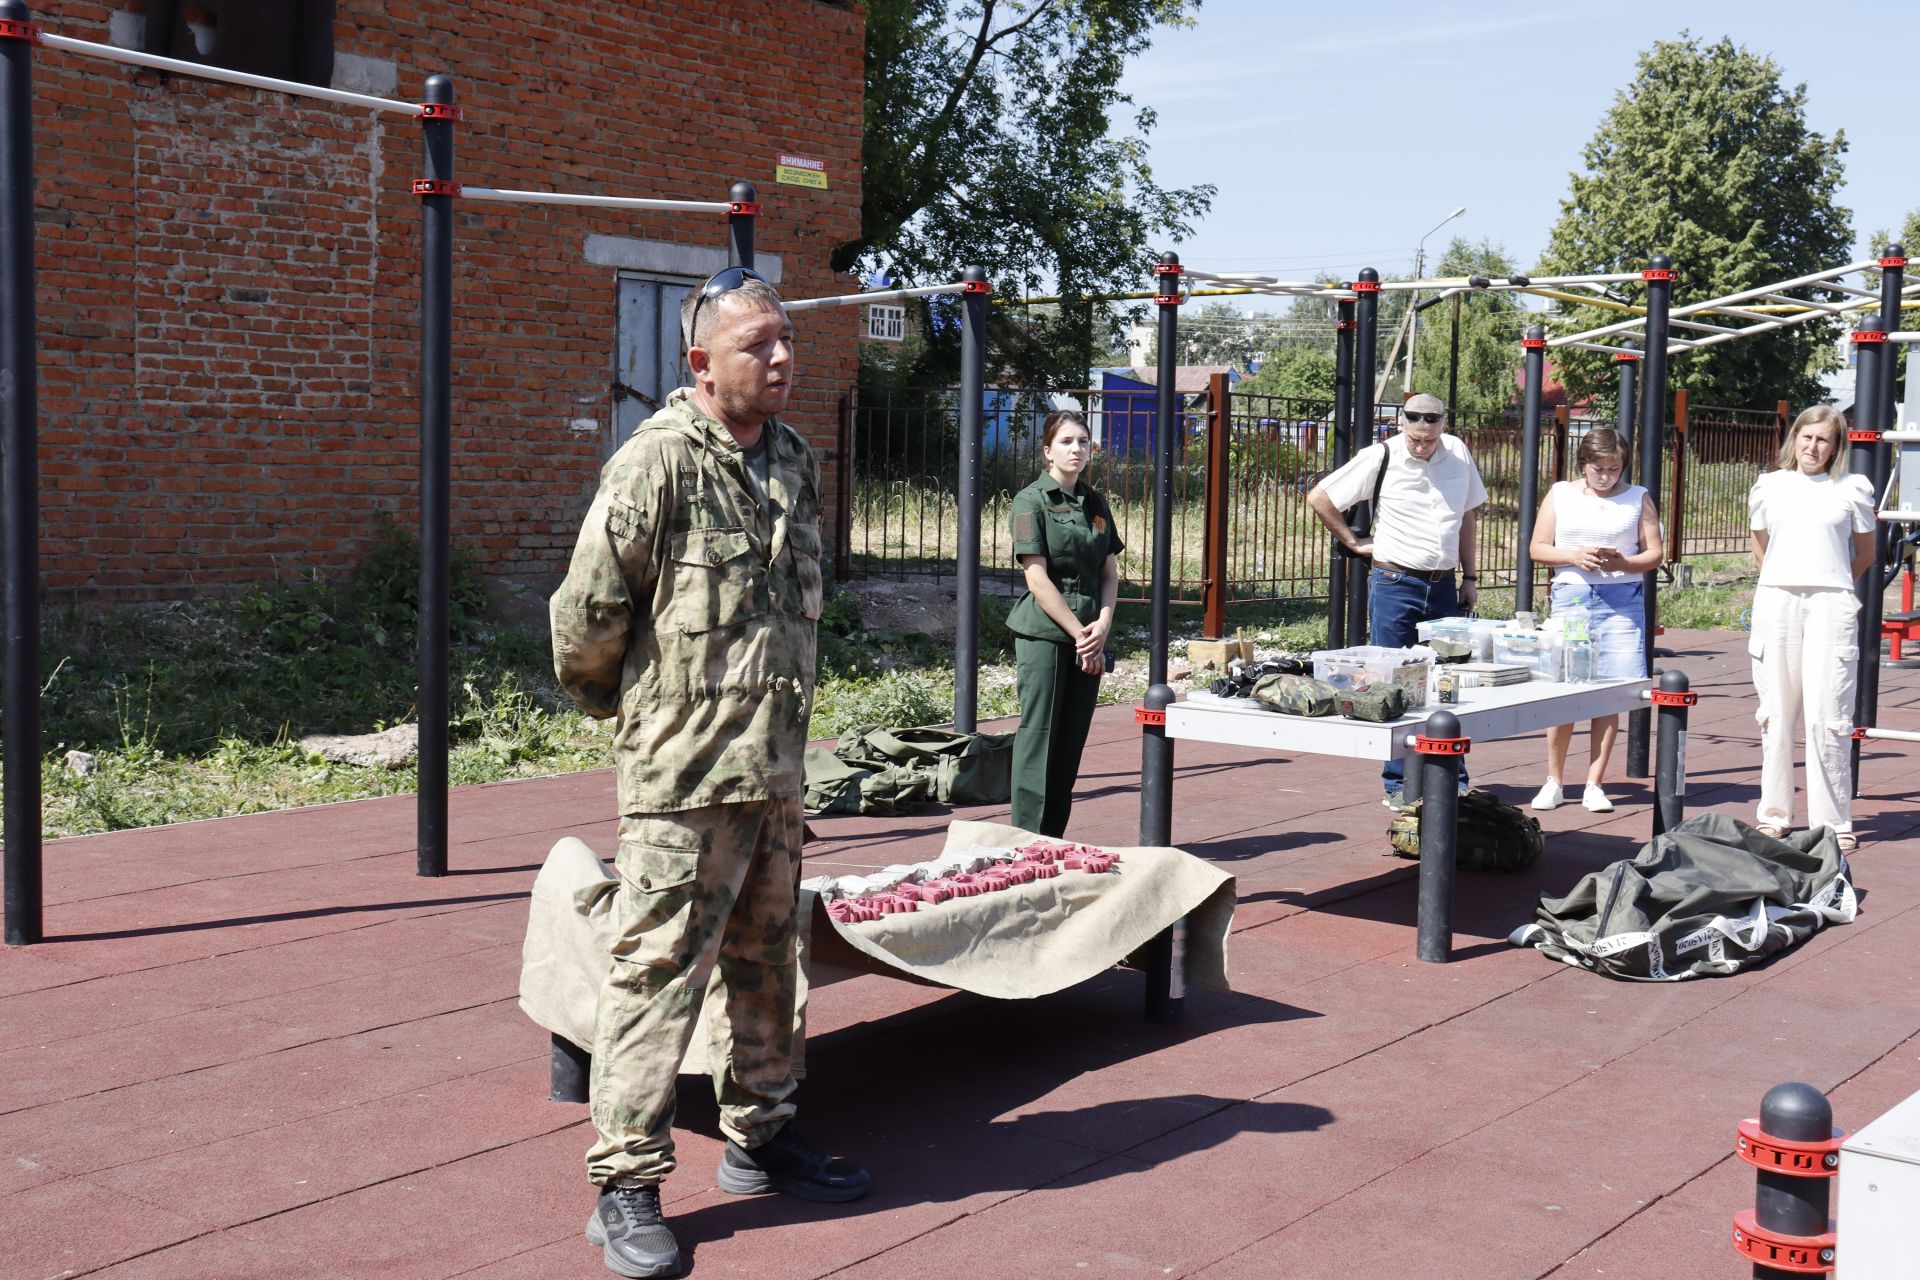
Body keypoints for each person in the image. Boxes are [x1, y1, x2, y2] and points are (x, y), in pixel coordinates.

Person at [551, 266, 870, 1279]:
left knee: (771, 963)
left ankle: (762, 1137)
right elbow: (584, 620)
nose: (781, 359)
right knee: (657, 977)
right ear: (701, 362)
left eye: (787, 343)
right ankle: (628, 1184)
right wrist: (639, 717)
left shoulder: (794, 461)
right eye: (757, 345)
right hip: (683, 779)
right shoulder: (655, 463)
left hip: (773, 768)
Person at [1307, 392, 1486, 805]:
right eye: (1415, 438)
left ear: (1443, 425)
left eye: (1430, 438)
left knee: (1446, 682)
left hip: (1443, 582)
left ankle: (1452, 779)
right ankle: (1397, 782)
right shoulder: (1380, 455)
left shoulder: (1457, 452)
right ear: (1402, 425)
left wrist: (1470, 576)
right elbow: (1320, 496)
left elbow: (1468, 516)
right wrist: (1352, 540)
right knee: (1392, 683)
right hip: (1395, 582)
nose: (1422, 446)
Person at [1747, 404, 1876, 852]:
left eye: (1823, 439)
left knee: (1829, 716)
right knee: (1776, 715)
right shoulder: (1769, 487)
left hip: (1831, 604)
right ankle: (1775, 815)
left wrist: (1828, 585)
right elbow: (1762, 549)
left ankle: (1832, 822)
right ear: (1794, 439)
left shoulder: (1852, 489)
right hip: (1777, 600)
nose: (1813, 447)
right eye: (1807, 437)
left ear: (1836, 445)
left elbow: (1864, 555)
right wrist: (1787, 580)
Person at [1524, 428, 1665, 812]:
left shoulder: (1637, 498)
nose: (1605, 476)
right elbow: (1538, 546)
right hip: (1573, 595)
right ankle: (1554, 779)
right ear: (1582, 465)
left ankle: (1594, 782)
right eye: (1597, 469)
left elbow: (1654, 553)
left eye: (1614, 469)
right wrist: (1574, 556)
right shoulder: (1561, 493)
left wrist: (1622, 562)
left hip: (1621, 597)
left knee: (1611, 691)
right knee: (1565, 688)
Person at [1006, 409, 1122, 837]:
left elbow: (1109, 572)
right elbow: (1036, 577)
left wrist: (1103, 624)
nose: (1077, 449)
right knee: (1039, 737)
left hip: (1090, 636)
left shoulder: (1094, 501)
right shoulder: (1030, 500)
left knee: (1071, 740)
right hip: (1047, 635)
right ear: (1047, 451)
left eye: (1083, 442)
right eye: (1067, 442)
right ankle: (1025, 842)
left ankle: (1052, 839)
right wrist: (1080, 634)